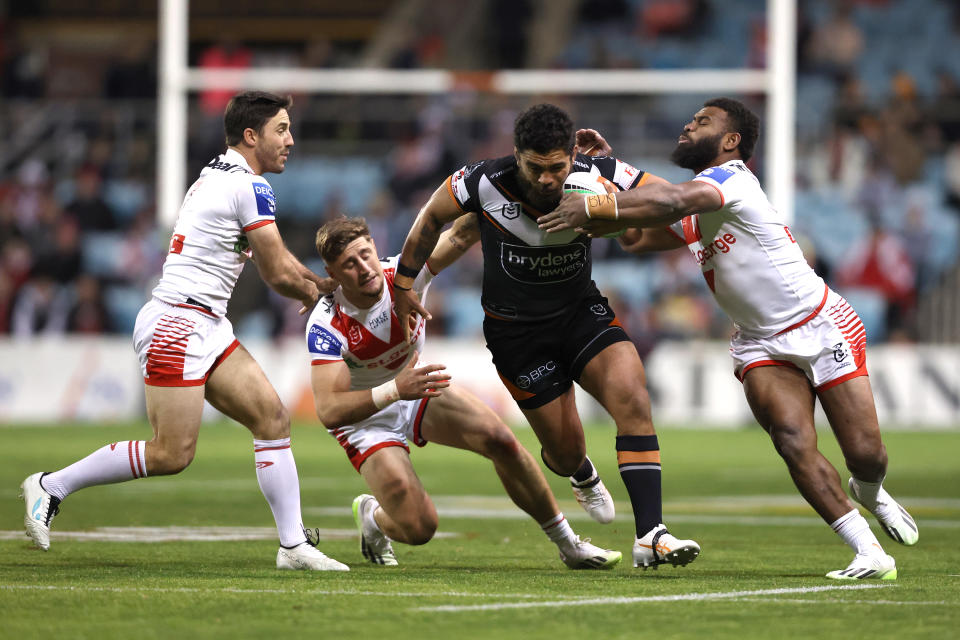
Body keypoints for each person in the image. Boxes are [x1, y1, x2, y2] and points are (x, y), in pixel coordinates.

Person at [538, 97, 919, 580]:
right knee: (791, 439)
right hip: (760, 342)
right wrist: (600, 170)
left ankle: (870, 490)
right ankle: (868, 552)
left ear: (730, 140)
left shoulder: (732, 180)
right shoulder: (696, 199)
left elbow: (670, 200)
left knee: (866, 454)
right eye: (691, 118)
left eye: (702, 121)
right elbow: (636, 235)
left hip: (821, 324)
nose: (688, 124)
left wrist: (593, 198)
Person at [20, 91, 348, 572]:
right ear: (251, 136)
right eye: (281, 129)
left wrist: (315, 286)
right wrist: (321, 296)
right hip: (178, 322)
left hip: (206, 322)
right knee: (172, 453)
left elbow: (276, 259)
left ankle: (293, 545)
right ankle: (50, 486)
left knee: (273, 420)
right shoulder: (249, 187)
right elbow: (277, 271)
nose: (291, 140)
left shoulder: (219, 175)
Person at [392, 103, 700, 570]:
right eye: (536, 168)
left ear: (570, 157)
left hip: (581, 313)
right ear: (516, 155)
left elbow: (672, 198)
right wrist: (404, 285)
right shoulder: (480, 182)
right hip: (517, 335)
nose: (548, 179)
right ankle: (579, 470)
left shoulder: (596, 172)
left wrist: (603, 199)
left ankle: (651, 535)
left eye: (558, 167)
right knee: (564, 450)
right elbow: (431, 220)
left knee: (632, 397)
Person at [307, 216, 621, 570]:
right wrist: (395, 390)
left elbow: (461, 230)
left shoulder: (404, 276)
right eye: (349, 264)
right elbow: (330, 410)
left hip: (414, 388)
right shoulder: (326, 323)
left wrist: (509, 193)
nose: (364, 268)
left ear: (374, 248)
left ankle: (569, 545)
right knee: (420, 527)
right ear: (331, 273)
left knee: (501, 440)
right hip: (366, 419)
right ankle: (373, 518)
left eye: (365, 254)